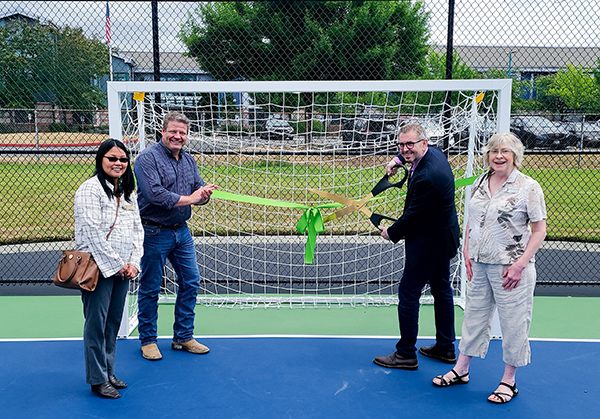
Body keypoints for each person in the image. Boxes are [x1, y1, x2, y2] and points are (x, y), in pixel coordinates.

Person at [431, 133, 546, 404]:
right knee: (473, 318)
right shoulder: (482, 182)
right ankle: (461, 370)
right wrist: (468, 252)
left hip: (511, 270)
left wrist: (520, 265)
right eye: (494, 151)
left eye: (505, 151)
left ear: (515, 155)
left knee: (513, 324)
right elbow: (473, 218)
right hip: (480, 266)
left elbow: (539, 231)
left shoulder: (529, 187)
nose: (498, 156)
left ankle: (509, 381)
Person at [373, 123, 460, 370]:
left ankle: (405, 355)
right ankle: (446, 348)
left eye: (410, 144)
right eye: (401, 144)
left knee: (408, 293)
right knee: (442, 290)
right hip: (442, 237)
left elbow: (412, 217)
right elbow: (408, 155)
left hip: (428, 243)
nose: (405, 149)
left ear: (424, 142)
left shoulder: (428, 177)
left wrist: (390, 232)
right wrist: (397, 160)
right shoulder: (435, 154)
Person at [134, 111, 217, 361]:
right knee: (150, 287)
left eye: (182, 132)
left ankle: (183, 336)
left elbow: (196, 189)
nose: (178, 136)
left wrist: (204, 195)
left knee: (191, 281)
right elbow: (154, 195)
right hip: (153, 231)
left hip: (181, 232)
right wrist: (192, 198)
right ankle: (148, 340)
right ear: (163, 132)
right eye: (173, 131)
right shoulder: (147, 159)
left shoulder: (189, 160)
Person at [75, 139, 144, 399]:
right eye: (112, 158)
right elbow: (92, 233)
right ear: (101, 159)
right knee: (96, 323)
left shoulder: (127, 191)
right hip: (97, 268)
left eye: (123, 159)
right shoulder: (89, 189)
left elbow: (138, 229)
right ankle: (97, 379)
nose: (118, 163)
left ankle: (108, 371)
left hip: (123, 269)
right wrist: (117, 265)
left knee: (113, 322)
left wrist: (134, 263)